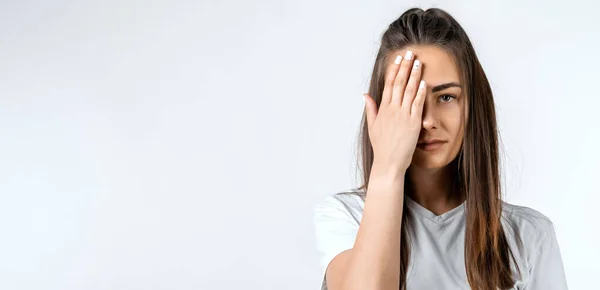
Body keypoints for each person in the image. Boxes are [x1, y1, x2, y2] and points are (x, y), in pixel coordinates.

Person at [312, 7, 568, 290]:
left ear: (474, 105)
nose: (427, 121)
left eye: (446, 97)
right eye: (408, 98)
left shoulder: (530, 235)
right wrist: (387, 167)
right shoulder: (346, 216)